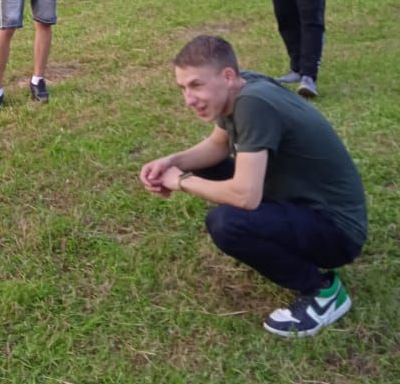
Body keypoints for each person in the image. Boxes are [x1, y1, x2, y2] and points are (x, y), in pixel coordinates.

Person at [139, 35, 367, 337]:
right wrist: (174, 161)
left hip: (337, 230)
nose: (188, 99)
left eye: (196, 85)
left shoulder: (253, 105)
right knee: (211, 171)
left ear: (228, 76)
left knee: (227, 223)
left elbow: (245, 197)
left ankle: (323, 293)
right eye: (183, 88)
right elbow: (218, 146)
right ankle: (283, 243)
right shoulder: (244, 87)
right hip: (304, 202)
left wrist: (181, 181)